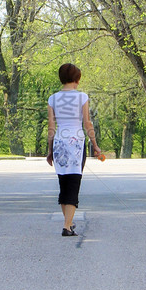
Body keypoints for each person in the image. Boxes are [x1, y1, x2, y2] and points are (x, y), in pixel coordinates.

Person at [46, 63, 101, 237]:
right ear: (77, 79)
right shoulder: (82, 97)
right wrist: (95, 144)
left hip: (60, 142)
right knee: (74, 183)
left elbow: (51, 126)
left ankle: (68, 222)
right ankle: (67, 227)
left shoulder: (52, 98)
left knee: (64, 184)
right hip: (76, 142)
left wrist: (49, 149)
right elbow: (87, 123)